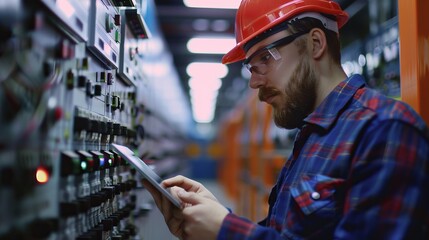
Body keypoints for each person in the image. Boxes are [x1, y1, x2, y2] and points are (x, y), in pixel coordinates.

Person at [143, 0, 429, 239]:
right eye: (250, 68)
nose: (254, 83)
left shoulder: (385, 130)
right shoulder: (310, 135)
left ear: (316, 43)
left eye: (265, 59)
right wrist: (214, 219)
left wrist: (226, 231)